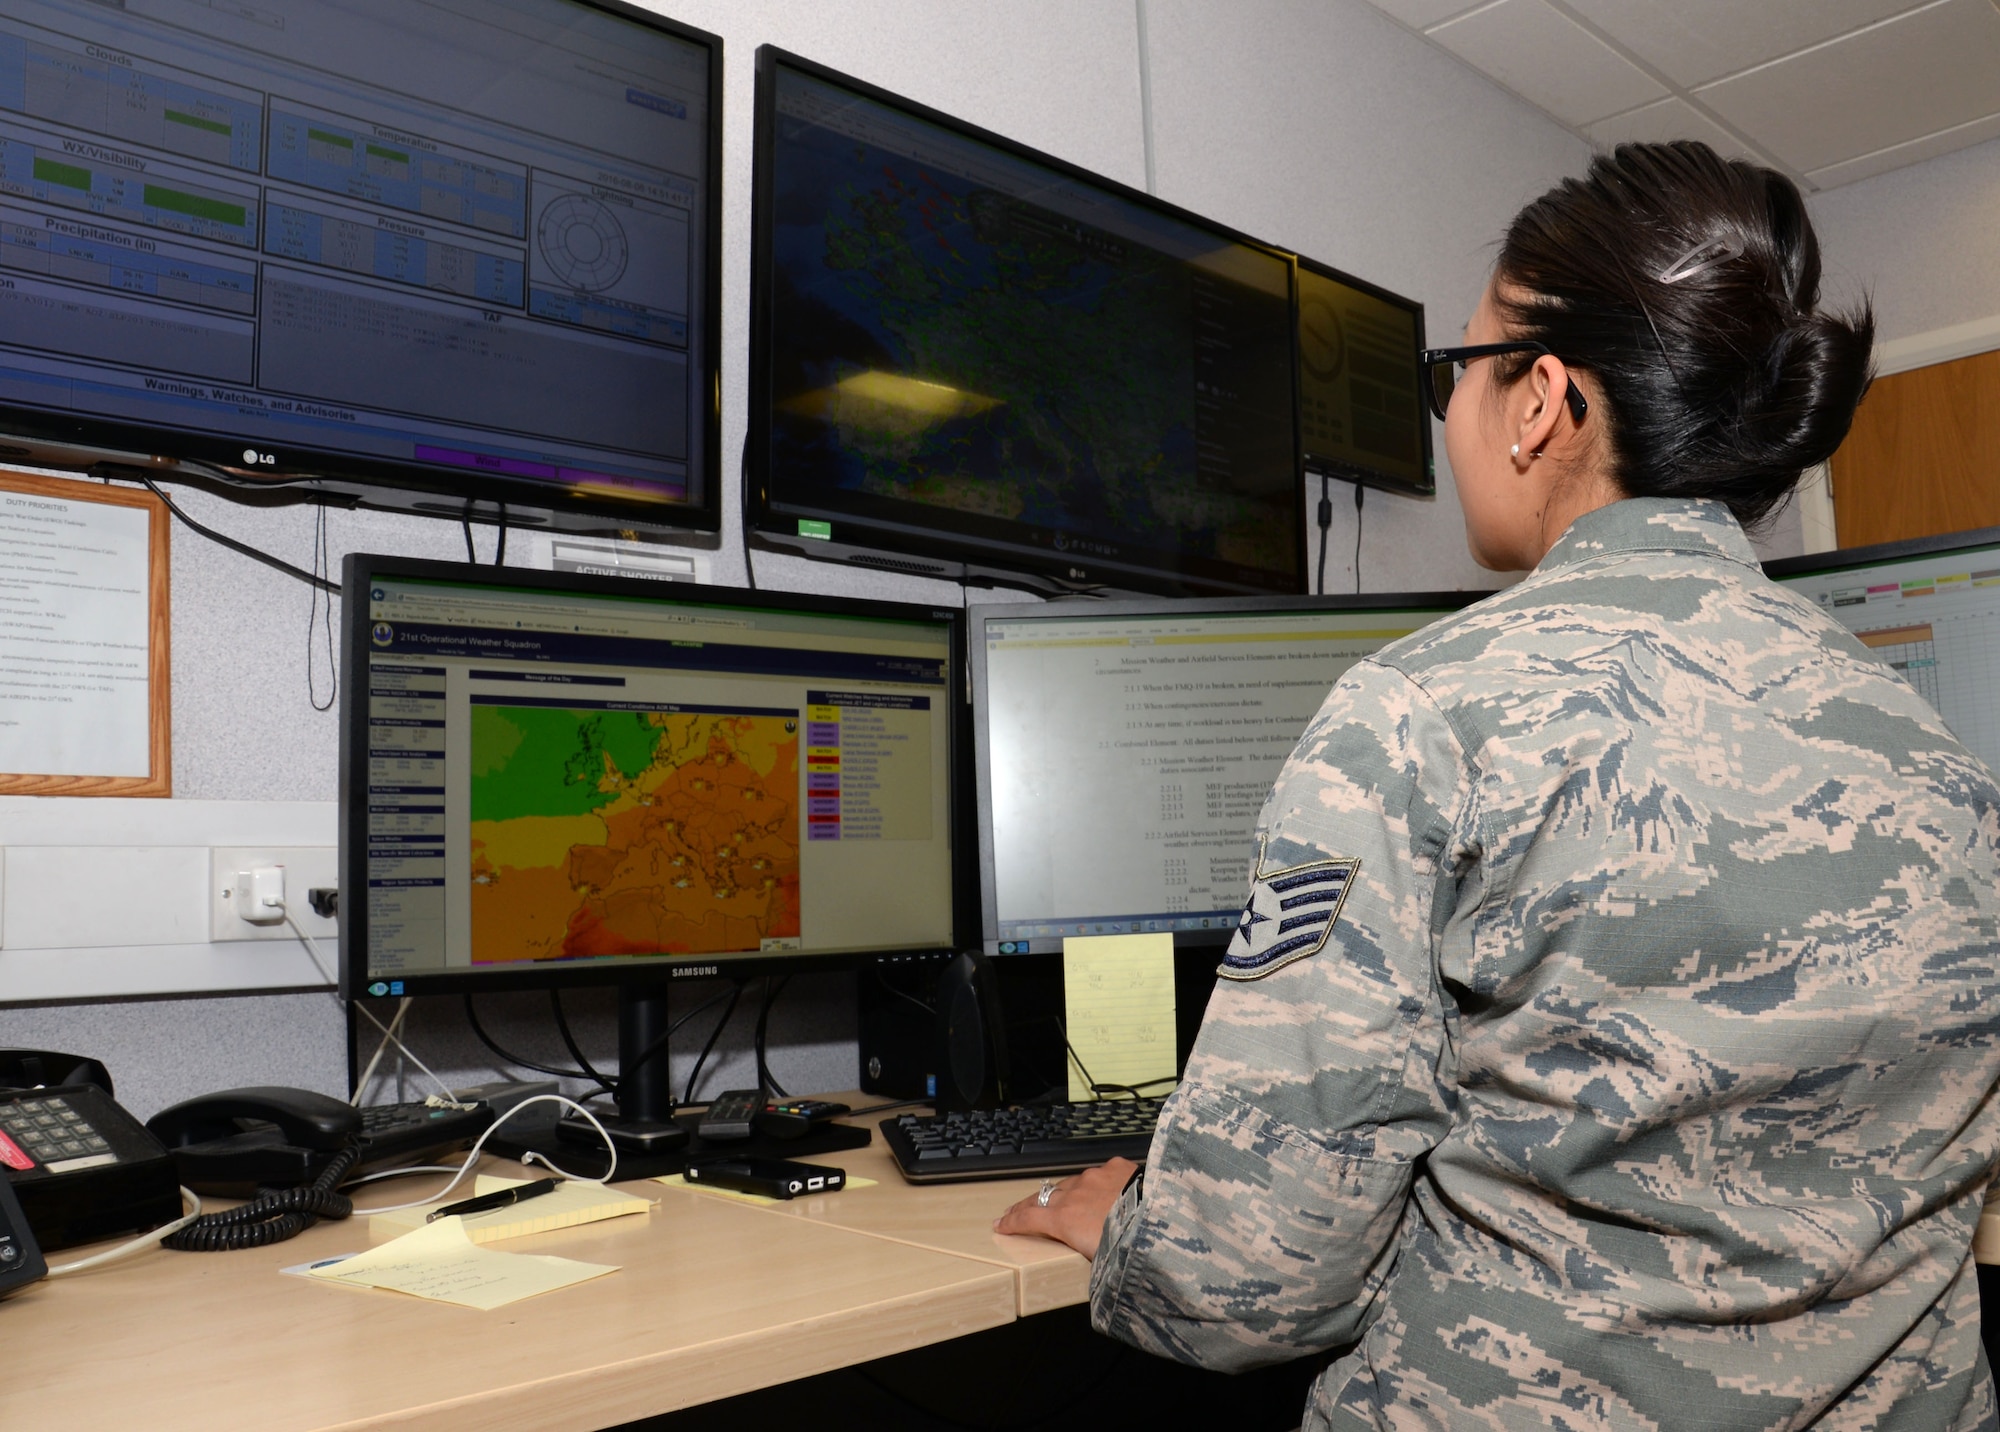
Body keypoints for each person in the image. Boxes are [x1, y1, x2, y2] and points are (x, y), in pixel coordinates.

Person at [996, 140, 2000, 1430]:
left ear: (1538, 402)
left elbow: (1245, 1286)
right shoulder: (1934, 749)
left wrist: (1133, 1232)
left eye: (1454, 372)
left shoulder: (1427, 713)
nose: (1453, 411)